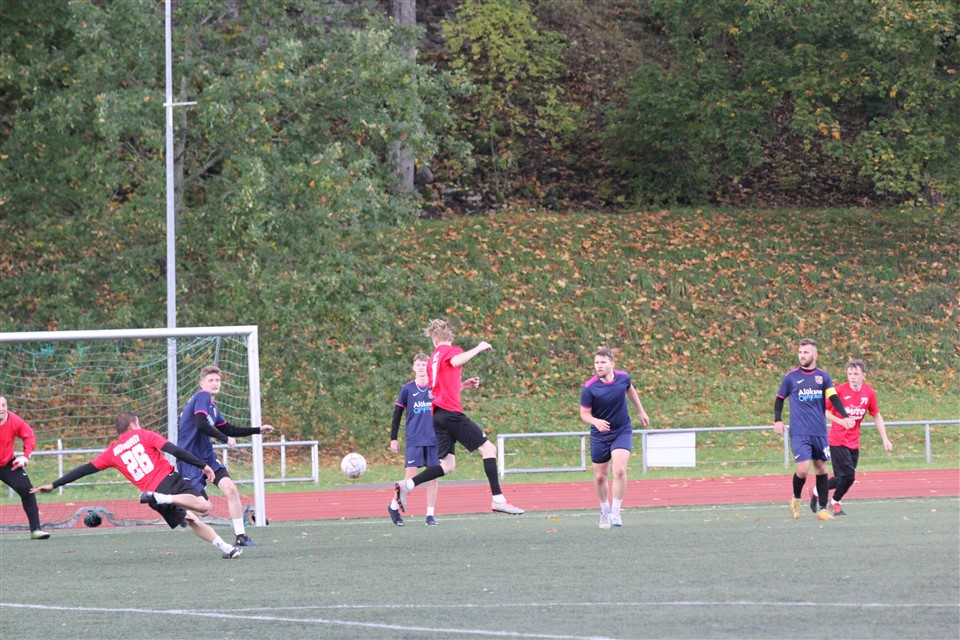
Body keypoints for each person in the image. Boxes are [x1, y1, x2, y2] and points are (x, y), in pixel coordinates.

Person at [32, 411, 243, 558]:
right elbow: (175, 450)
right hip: (167, 482)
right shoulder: (144, 435)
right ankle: (166, 498)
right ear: (133, 425)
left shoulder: (112, 452)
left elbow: (84, 469)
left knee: (191, 519)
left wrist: (54, 484)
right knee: (205, 508)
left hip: (150, 494)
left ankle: (227, 548)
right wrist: (203, 465)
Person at [391, 319, 524, 518]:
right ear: (450, 338)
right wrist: (479, 347)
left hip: (438, 416)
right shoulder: (450, 351)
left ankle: (407, 485)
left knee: (447, 466)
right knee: (489, 449)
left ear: (434, 341)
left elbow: (435, 391)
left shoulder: (433, 360)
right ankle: (498, 500)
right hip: (451, 413)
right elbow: (455, 361)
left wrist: (462, 385)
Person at [177, 365, 274, 547]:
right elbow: (200, 424)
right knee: (204, 509)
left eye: (217, 380)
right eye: (211, 380)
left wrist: (258, 430)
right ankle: (174, 505)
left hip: (207, 457)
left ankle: (241, 536)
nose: (215, 383)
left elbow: (230, 429)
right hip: (190, 459)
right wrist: (225, 439)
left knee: (230, 488)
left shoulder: (213, 408)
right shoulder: (202, 396)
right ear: (202, 384)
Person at [773, 339, 855, 521]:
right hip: (799, 432)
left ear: (815, 355)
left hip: (819, 431)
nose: (802, 356)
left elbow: (834, 399)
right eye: (800, 352)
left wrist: (845, 416)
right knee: (803, 469)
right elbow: (779, 399)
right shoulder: (791, 377)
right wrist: (778, 420)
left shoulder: (823, 377)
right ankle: (796, 498)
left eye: (806, 352)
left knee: (821, 468)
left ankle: (823, 509)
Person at [579, 348, 650, 529]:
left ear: (612, 364)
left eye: (603, 362)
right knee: (600, 477)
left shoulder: (623, 378)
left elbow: (630, 390)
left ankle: (616, 511)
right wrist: (596, 421)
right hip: (600, 435)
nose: (599, 366)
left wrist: (641, 411)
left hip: (621, 431)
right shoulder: (590, 387)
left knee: (619, 470)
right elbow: (584, 413)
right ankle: (605, 511)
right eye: (596, 362)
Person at [811, 359, 892, 516]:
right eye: (850, 374)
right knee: (848, 476)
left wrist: (885, 439)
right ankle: (831, 499)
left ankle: (823, 494)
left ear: (863, 375)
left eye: (856, 374)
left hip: (853, 442)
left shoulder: (869, 393)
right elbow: (824, 411)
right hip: (837, 440)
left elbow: (876, 415)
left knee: (845, 478)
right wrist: (841, 421)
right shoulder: (839, 391)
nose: (853, 377)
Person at [387, 352, 440, 526]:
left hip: (433, 439)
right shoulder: (407, 389)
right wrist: (393, 438)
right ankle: (393, 506)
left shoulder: (435, 387)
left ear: (429, 367)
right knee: (410, 478)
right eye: (418, 364)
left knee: (433, 478)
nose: (421, 367)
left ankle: (430, 515)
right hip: (414, 439)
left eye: (424, 364)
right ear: (413, 368)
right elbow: (397, 415)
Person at [0, 396, 50, 540]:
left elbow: (29, 436)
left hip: (7, 464)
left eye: (3, 405)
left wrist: (26, 456)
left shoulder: (14, 420)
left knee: (27, 489)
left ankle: (36, 530)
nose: (1, 409)